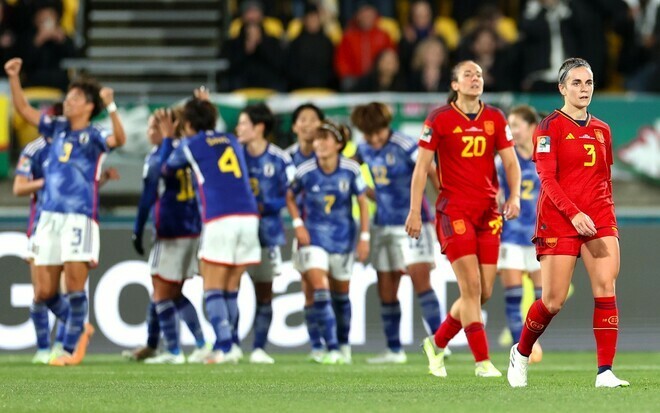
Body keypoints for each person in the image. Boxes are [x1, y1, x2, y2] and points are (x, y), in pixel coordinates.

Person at [507, 58, 630, 388]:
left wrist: (605, 215)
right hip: (560, 219)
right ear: (562, 88)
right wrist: (574, 213)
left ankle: (605, 371)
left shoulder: (603, 129)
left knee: (606, 287)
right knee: (553, 300)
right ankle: (520, 353)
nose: (584, 88)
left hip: (599, 218)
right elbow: (546, 177)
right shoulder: (549, 127)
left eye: (588, 82)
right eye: (576, 83)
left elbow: (604, 178)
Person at [5, 57, 127, 366]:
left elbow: (120, 139)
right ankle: (80, 328)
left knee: (74, 286)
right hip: (47, 217)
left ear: (88, 106)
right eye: (68, 97)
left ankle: (71, 349)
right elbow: (24, 111)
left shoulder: (95, 136)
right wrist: (14, 78)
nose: (68, 102)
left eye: (75, 98)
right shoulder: (56, 129)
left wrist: (111, 107)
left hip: (79, 217)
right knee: (44, 292)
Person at [406, 60, 521, 378]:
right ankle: (482, 361)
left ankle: (436, 344)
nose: (476, 79)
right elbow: (421, 169)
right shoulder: (439, 119)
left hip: (488, 212)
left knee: (482, 293)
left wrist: (514, 196)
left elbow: (511, 162)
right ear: (455, 84)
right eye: (468, 75)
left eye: (480, 74)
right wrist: (416, 210)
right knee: (470, 289)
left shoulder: (495, 117)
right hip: (453, 210)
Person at [161, 93, 260, 364]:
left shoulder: (191, 144)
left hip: (220, 216)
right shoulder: (230, 140)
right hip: (249, 217)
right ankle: (232, 344)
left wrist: (170, 138)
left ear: (188, 124)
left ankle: (225, 349)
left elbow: (167, 168)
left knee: (213, 288)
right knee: (230, 288)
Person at [350, 102, 442, 364]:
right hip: (382, 224)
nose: (374, 139)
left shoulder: (406, 145)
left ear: (386, 126)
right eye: (369, 134)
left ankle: (441, 343)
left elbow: (431, 171)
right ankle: (393, 350)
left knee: (420, 280)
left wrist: (443, 207)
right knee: (387, 289)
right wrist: (370, 194)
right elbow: (348, 173)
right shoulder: (363, 149)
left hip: (415, 222)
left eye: (377, 132)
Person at [124, 110, 209, 364]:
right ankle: (189, 344)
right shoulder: (191, 152)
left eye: (153, 127)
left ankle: (173, 351)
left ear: (166, 129)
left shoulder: (159, 158)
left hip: (170, 231)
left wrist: (138, 229)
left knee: (162, 293)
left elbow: (148, 197)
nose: (149, 132)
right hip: (193, 229)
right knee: (171, 292)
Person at [286, 120, 370, 364]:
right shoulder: (305, 170)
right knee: (318, 291)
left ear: (338, 144)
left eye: (325, 138)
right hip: (312, 239)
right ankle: (325, 346)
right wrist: (297, 224)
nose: (319, 143)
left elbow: (363, 203)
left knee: (341, 297)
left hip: (343, 239)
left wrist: (364, 237)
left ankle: (343, 345)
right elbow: (289, 196)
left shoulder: (351, 170)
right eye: (317, 139)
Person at [235, 103, 296, 364]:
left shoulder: (280, 159)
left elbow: (293, 193)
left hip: (267, 233)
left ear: (258, 128)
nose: (238, 128)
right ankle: (231, 346)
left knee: (264, 293)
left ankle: (259, 348)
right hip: (237, 233)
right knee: (229, 290)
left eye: (243, 123)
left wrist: (267, 206)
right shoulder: (233, 155)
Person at [496, 105, 543, 362]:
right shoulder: (504, 158)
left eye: (516, 125)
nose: (511, 130)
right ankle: (521, 350)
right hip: (510, 235)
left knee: (544, 300)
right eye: (509, 125)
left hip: (540, 236)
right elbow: (492, 190)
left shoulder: (546, 156)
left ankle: (532, 342)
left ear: (531, 127)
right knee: (513, 298)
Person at [285, 103, 326, 361]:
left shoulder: (330, 152)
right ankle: (318, 345)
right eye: (302, 119)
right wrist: (297, 222)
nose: (307, 124)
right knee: (309, 288)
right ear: (294, 126)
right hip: (305, 230)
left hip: (334, 229)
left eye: (313, 119)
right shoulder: (286, 157)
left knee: (333, 288)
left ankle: (337, 343)